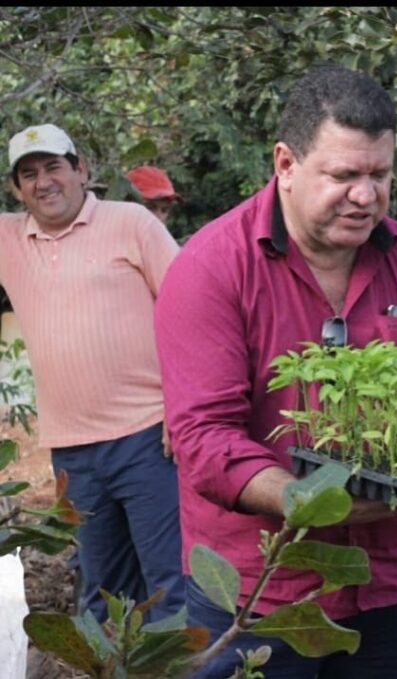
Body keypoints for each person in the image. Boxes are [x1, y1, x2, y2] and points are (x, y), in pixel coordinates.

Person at [153, 66, 397, 678]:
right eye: (344, 175)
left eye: (380, 175)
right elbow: (203, 438)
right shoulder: (212, 268)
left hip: (394, 587)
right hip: (257, 601)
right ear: (286, 165)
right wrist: (305, 501)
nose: (366, 195)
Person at [0, 123, 185, 623]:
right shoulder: (9, 238)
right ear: (17, 190)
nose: (44, 182)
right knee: (101, 592)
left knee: (171, 586)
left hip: (149, 438)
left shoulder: (131, 223)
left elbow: (191, 312)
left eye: (54, 167)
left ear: (81, 170)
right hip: (72, 454)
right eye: (29, 174)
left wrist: (184, 407)